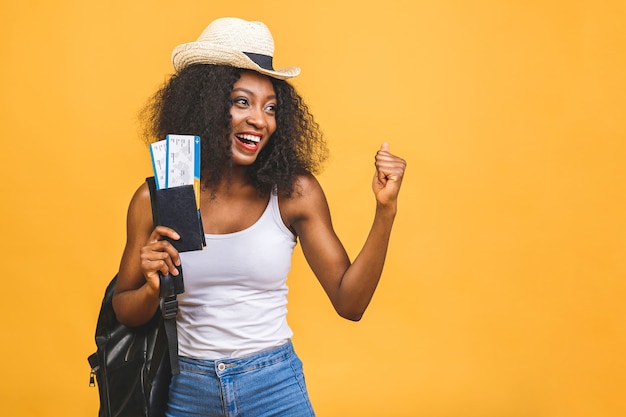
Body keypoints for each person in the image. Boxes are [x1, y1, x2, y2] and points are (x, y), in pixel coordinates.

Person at [112, 17, 406, 417]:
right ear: (205, 103)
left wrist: (384, 211)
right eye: (241, 102)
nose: (260, 120)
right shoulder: (159, 198)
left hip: (275, 387)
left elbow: (349, 302)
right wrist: (150, 288)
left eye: (271, 108)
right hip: (189, 392)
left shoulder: (293, 193)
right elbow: (123, 308)